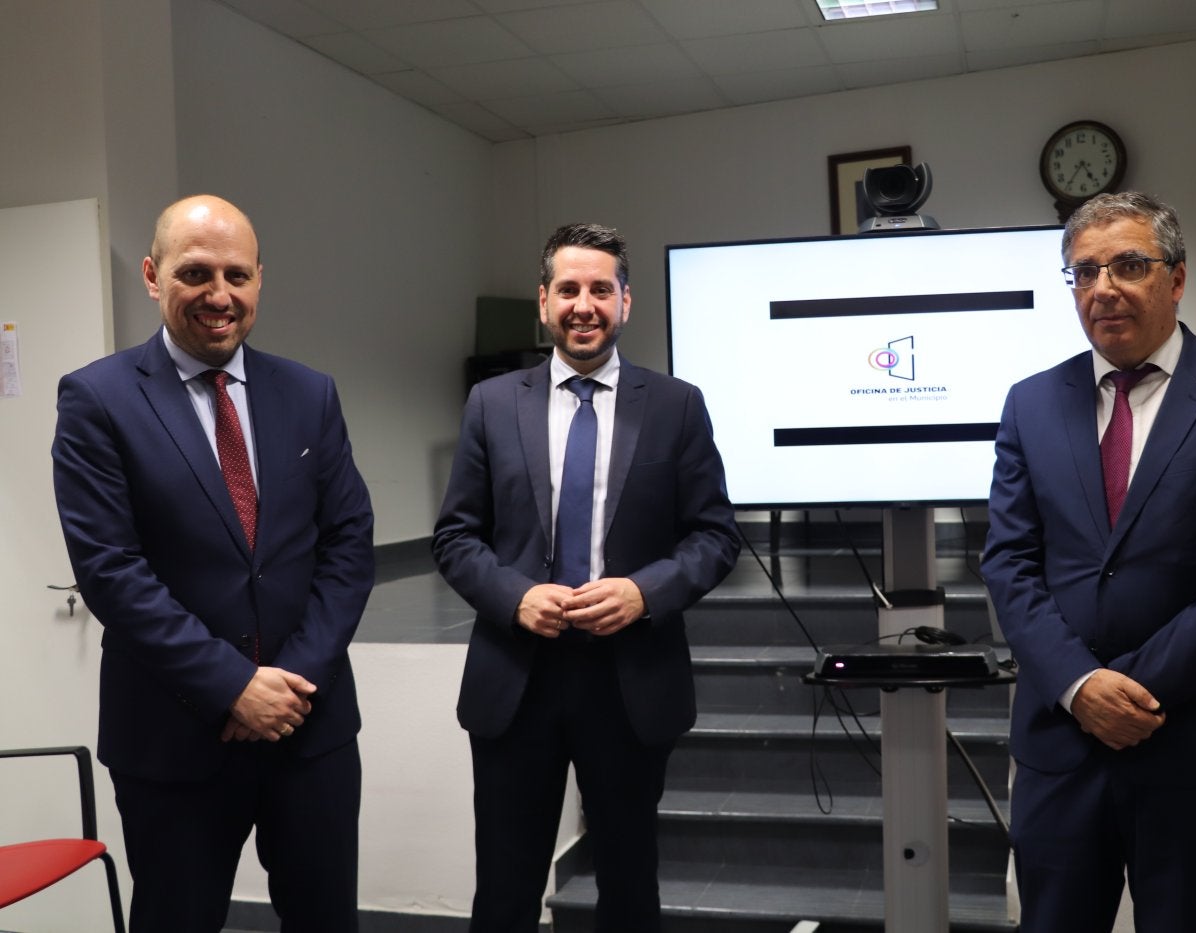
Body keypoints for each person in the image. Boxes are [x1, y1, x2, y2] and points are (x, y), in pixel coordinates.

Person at [52, 195, 375, 932]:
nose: (219, 295)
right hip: (173, 736)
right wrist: (233, 686)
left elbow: (349, 543)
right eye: (195, 273)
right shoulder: (98, 399)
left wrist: (291, 682)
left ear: (260, 279)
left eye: (237, 275)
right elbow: (111, 570)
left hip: (309, 724)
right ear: (152, 275)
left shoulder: (310, 393)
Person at [981, 191, 1196, 933]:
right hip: (1062, 746)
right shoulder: (1031, 403)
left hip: (1192, 744)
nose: (1103, 289)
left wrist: (1133, 692)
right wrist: (1080, 685)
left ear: (1177, 278)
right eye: (1085, 272)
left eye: (1128, 265)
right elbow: (1009, 564)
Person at [433, 222, 740, 932]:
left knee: (629, 888)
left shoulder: (676, 405)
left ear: (625, 302)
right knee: (504, 891)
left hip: (629, 682)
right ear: (543, 302)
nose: (584, 305)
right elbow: (455, 536)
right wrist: (515, 595)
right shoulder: (491, 404)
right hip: (517, 681)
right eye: (568, 289)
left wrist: (643, 592)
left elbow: (716, 535)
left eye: (601, 289)